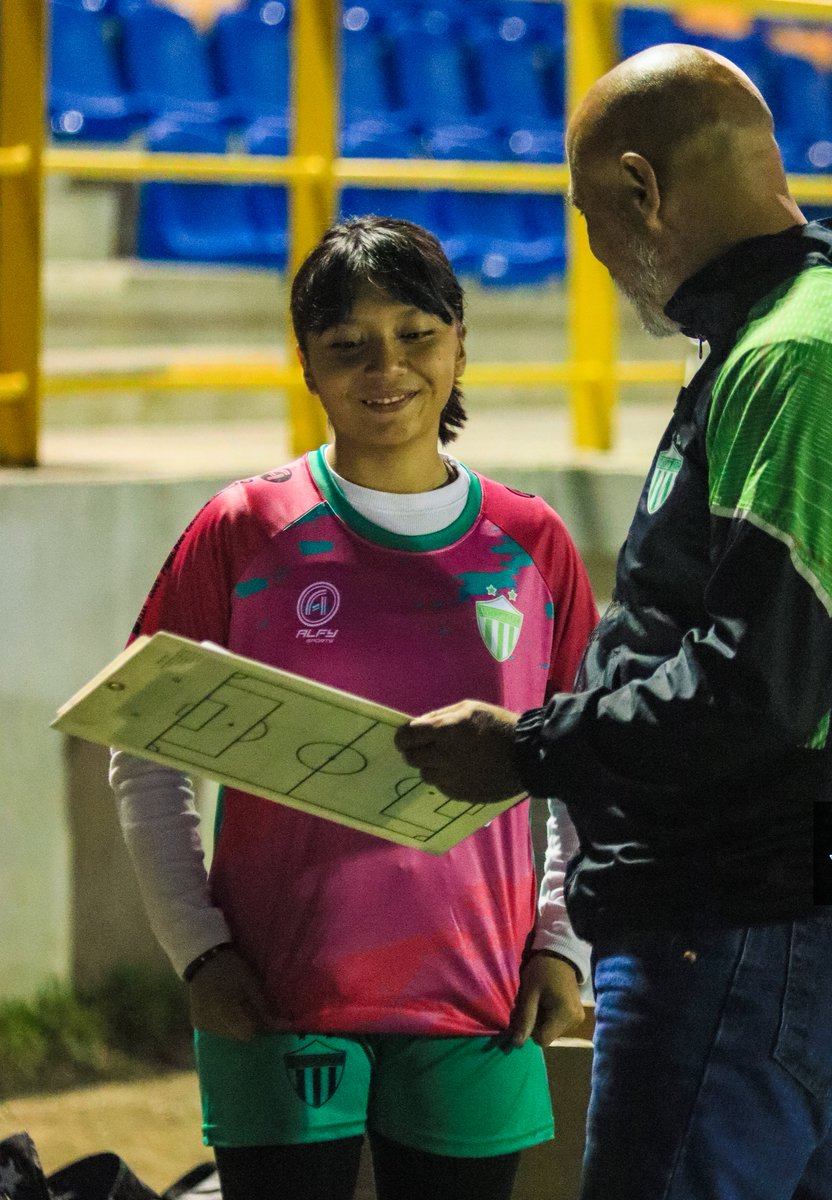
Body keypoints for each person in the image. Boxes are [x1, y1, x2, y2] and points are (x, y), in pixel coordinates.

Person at [396, 45, 832, 1200]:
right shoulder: (784, 340)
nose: (599, 257)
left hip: (740, 922)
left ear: (643, 191)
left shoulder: (797, 359)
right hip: (787, 911)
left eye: (593, 217)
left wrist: (529, 749)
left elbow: (758, 686)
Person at [109, 216, 598, 1200]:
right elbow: (142, 743)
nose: (388, 367)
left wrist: (562, 940)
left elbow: (592, 760)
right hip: (275, 1001)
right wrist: (197, 948)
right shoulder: (243, 529)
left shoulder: (534, 543)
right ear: (309, 366)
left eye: (416, 333)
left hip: (483, 1006)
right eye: (349, 345)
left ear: (461, 342)